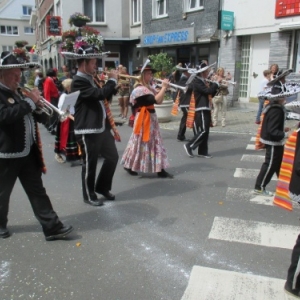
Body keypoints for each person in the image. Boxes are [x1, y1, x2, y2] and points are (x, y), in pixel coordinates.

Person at [0, 51, 73, 240]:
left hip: (27, 152)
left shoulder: (17, 93)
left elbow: (34, 115)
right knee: (2, 193)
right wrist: (30, 103)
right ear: (2, 74)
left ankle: (52, 228)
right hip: (6, 154)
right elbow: (5, 117)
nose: (19, 77)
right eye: (14, 74)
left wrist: (44, 109)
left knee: (37, 192)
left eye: (20, 73)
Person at [62, 43, 119, 206]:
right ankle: (89, 194)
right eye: (93, 63)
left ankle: (102, 187)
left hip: (101, 127)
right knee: (90, 163)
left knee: (113, 157)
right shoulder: (78, 81)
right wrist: (112, 81)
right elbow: (99, 95)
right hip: (88, 129)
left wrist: (112, 87)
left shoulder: (90, 78)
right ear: (83, 64)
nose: (96, 66)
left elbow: (104, 97)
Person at [121, 63, 173, 178]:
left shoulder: (149, 88)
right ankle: (129, 165)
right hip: (144, 119)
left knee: (154, 142)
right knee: (139, 142)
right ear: (142, 75)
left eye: (151, 73)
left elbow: (159, 101)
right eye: (149, 73)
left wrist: (163, 89)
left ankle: (160, 169)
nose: (151, 75)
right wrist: (164, 87)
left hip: (151, 118)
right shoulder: (139, 89)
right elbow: (154, 100)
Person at [253, 70, 292, 196]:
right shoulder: (276, 110)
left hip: (274, 139)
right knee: (270, 164)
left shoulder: (275, 107)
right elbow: (272, 130)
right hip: (273, 140)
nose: (285, 97)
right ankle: (259, 186)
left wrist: (282, 130)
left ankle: (286, 186)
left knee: (278, 163)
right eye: (284, 95)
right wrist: (285, 134)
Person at [183, 62, 220, 158]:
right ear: (202, 72)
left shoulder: (203, 81)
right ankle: (189, 145)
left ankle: (202, 151)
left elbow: (211, 94)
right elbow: (207, 91)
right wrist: (215, 83)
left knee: (206, 131)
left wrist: (217, 85)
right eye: (206, 71)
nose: (208, 73)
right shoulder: (197, 81)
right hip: (201, 108)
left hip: (206, 107)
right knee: (203, 130)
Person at [54, 78, 81, 166]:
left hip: (71, 117)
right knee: (69, 139)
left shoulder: (71, 95)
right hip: (66, 119)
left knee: (73, 138)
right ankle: (61, 155)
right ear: (68, 87)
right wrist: (73, 118)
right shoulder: (64, 96)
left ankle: (76, 156)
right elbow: (64, 110)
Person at [176, 65, 192, 142]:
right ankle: (181, 135)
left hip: (188, 102)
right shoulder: (183, 79)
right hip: (185, 102)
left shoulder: (189, 79)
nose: (190, 73)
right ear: (185, 72)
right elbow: (188, 88)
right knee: (188, 117)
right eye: (189, 71)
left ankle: (181, 135)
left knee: (185, 118)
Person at [43, 68, 60, 134]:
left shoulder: (51, 79)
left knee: (55, 114)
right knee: (53, 115)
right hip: (51, 99)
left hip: (54, 98)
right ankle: (51, 128)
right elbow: (46, 91)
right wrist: (48, 102)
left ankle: (52, 127)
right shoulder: (48, 80)